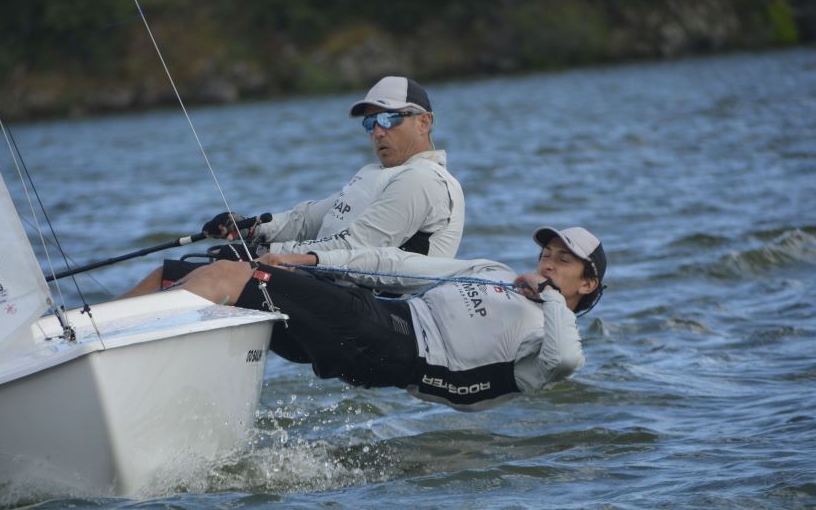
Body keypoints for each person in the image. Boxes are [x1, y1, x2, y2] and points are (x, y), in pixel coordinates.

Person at [177, 226, 607, 411]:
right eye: (546, 255)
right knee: (201, 270)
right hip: (381, 316)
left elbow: (567, 360)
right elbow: (396, 264)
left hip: (396, 351)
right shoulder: (497, 273)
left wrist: (550, 298)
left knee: (230, 277)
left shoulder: (546, 342)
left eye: (564, 261)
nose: (549, 264)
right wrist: (309, 259)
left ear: (587, 285)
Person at [124, 75, 465, 295]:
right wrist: (251, 230)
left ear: (424, 123)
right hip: (326, 284)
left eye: (389, 118)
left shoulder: (424, 181)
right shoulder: (376, 174)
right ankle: (90, 332)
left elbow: (357, 248)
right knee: (167, 273)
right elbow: (306, 220)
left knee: (218, 275)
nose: (377, 131)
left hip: (371, 304)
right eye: (370, 122)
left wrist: (258, 255)